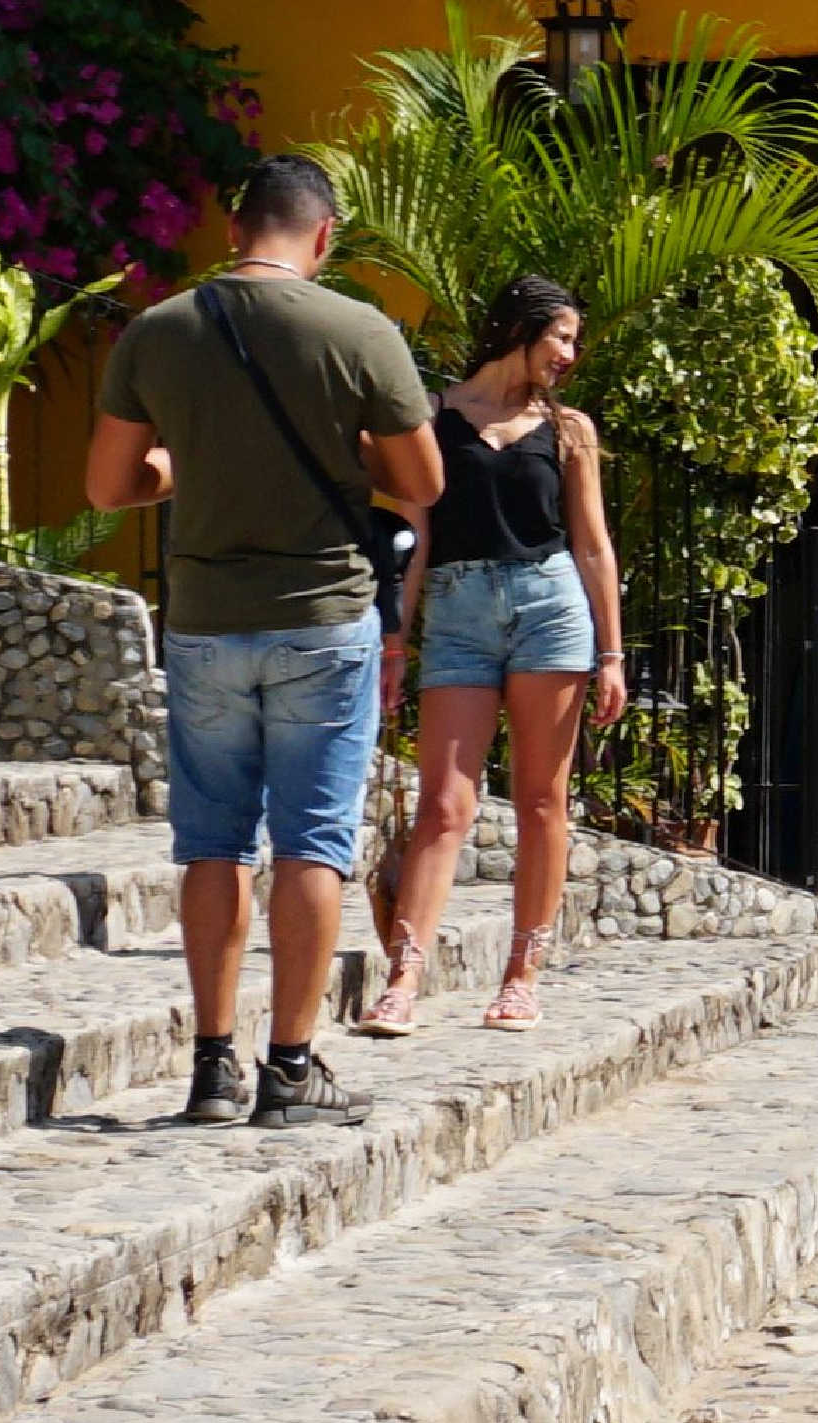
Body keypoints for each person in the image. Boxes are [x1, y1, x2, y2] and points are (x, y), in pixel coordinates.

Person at [88, 154, 444, 1132]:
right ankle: (289, 1068)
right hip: (324, 622)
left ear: (235, 224)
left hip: (203, 622)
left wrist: (182, 466)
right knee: (312, 844)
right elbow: (422, 481)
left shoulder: (157, 331)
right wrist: (346, 449)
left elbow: (109, 487)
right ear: (323, 235)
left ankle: (210, 1069)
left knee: (211, 842)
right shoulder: (359, 331)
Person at [363, 274, 626, 1042]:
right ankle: (403, 980)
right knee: (444, 804)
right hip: (460, 612)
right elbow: (414, 541)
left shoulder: (569, 428)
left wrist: (610, 653)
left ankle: (522, 976)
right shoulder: (434, 418)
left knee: (544, 800)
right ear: (524, 329)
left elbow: (592, 544)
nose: (570, 355)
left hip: (551, 609)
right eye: (563, 337)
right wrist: (394, 639)